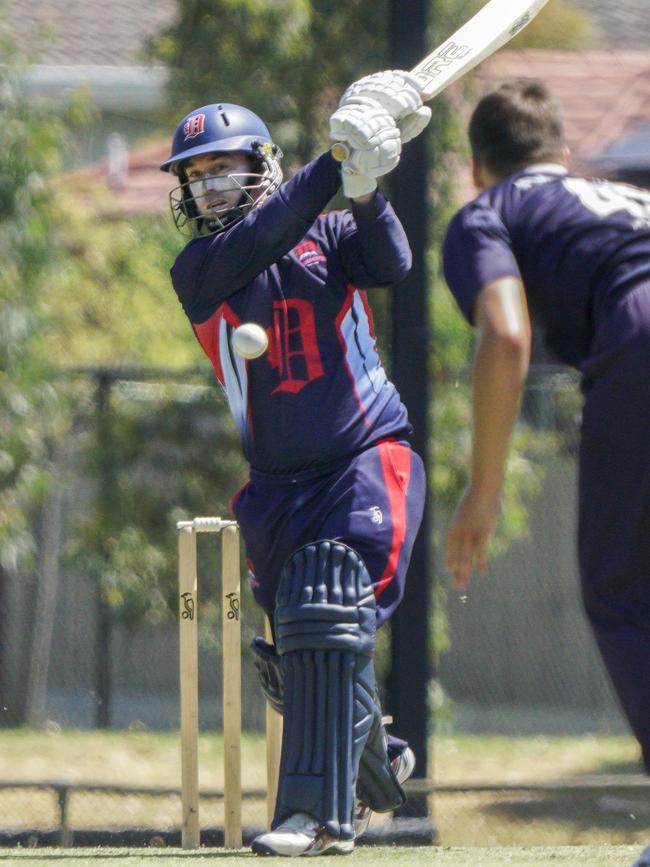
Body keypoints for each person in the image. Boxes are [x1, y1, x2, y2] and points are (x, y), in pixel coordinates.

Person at [160, 71, 430, 856]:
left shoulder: (330, 236)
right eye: (197, 175)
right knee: (305, 654)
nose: (210, 187)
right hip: (276, 486)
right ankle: (378, 763)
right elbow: (263, 237)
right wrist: (330, 165)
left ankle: (312, 821)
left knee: (324, 612)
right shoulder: (202, 269)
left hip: (362, 454)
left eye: (224, 167)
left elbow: (393, 263)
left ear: (261, 163)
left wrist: (368, 186)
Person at [442, 78, 650, 778]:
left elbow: (504, 336)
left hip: (638, 331)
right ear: (561, 150)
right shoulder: (627, 192)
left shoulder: (486, 213)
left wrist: (485, 488)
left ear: (476, 169)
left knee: (620, 588)